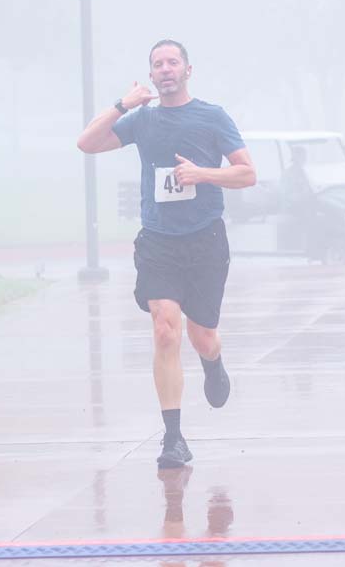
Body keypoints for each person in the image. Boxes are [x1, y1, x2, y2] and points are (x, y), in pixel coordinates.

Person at [77, 39, 256, 468]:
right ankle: (172, 439)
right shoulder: (142, 120)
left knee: (201, 336)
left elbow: (247, 172)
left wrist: (201, 173)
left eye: (173, 62)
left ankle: (213, 363)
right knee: (164, 330)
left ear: (188, 70)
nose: (165, 69)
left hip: (205, 239)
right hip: (158, 241)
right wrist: (123, 103)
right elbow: (87, 142)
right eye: (158, 64)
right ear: (151, 75)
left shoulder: (212, 117)